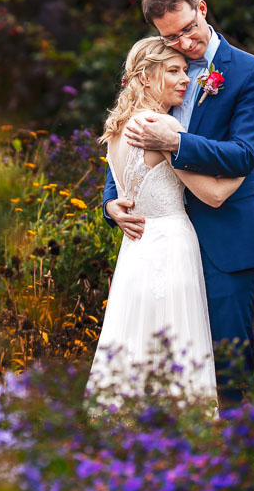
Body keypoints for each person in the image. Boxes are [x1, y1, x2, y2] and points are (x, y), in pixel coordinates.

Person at [102, 0, 254, 406]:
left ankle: (237, 458)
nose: (184, 42)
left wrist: (175, 143)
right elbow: (130, 142)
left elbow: (242, 153)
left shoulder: (251, 72)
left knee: (227, 358)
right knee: (165, 357)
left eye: (187, 29)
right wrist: (111, 202)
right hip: (163, 242)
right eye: (170, 36)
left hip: (224, 237)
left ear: (202, 9)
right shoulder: (161, 66)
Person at [86, 37, 245, 415]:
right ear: (144, 76)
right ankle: (184, 432)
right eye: (173, 71)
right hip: (171, 245)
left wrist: (110, 204)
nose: (185, 79)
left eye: (185, 70)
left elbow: (124, 185)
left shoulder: (118, 128)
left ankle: (127, 432)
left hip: (136, 249)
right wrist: (246, 164)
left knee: (135, 339)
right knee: (177, 341)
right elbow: (213, 195)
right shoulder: (161, 126)